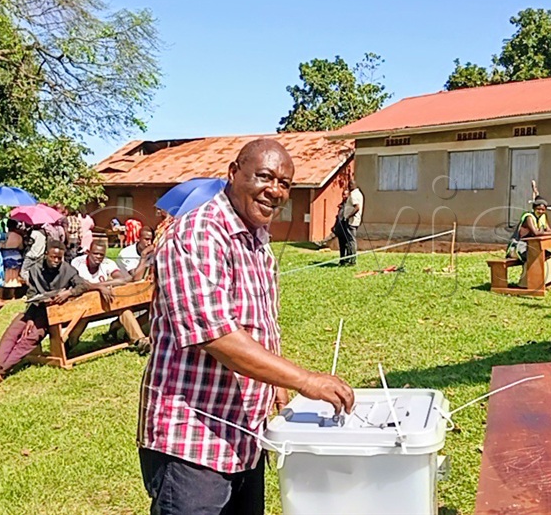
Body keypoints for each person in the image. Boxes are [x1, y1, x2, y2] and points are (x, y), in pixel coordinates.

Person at [138, 139, 355, 515]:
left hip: (244, 431)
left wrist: (274, 384)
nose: (275, 190)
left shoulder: (256, 240)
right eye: (265, 177)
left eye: (285, 184)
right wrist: (303, 380)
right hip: (193, 439)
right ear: (233, 174)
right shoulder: (198, 234)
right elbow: (217, 335)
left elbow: (257, 322)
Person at [0, 240, 87, 383]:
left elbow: (82, 285)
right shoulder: (35, 270)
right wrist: (29, 318)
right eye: (53, 257)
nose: (56, 261)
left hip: (54, 312)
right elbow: (31, 295)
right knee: (14, 328)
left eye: (59, 258)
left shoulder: (68, 270)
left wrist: (68, 293)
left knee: (32, 336)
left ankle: (3, 369)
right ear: (46, 254)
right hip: (36, 308)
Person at [70, 238, 151, 353]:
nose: (98, 257)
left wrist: (100, 285)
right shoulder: (78, 262)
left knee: (124, 310)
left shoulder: (107, 263)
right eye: (95, 253)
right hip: (83, 306)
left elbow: (122, 280)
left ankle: (140, 341)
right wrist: (99, 288)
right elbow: (79, 282)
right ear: (88, 252)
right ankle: (69, 343)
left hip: (105, 304)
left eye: (101, 255)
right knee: (83, 319)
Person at [506, 198, 551, 286]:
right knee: (534, 258)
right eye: (538, 209)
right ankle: (525, 284)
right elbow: (535, 233)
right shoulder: (529, 217)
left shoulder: (542, 217)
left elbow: (548, 230)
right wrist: (542, 232)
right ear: (534, 208)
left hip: (531, 247)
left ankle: (547, 281)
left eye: (543, 210)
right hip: (518, 248)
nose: (541, 211)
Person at [338, 178, 363, 266]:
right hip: (355, 220)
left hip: (351, 221)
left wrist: (348, 216)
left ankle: (352, 260)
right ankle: (349, 259)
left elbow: (357, 207)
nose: (349, 186)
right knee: (350, 240)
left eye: (350, 185)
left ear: (353, 185)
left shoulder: (353, 195)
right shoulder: (359, 194)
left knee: (351, 240)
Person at [1, 219, 25, 285]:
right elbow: (21, 247)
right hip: (17, 255)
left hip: (6, 256)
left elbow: (1, 245)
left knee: (7, 274)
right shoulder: (19, 236)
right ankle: (13, 291)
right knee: (15, 275)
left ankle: (6, 288)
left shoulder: (4, 235)